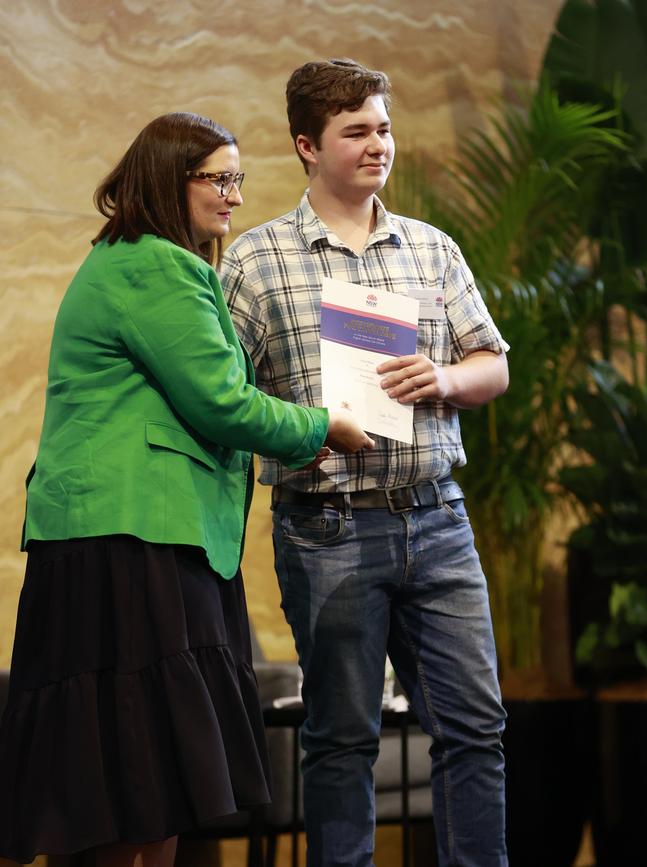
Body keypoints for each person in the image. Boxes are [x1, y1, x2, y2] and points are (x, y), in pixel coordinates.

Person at [0, 111, 374, 867]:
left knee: (128, 776)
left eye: (238, 178)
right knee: (138, 769)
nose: (234, 196)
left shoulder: (131, 259)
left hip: (122, 534)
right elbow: (221, 402)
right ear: (172, 180)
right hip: (135, 536)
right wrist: (323, 426)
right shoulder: (155, 266)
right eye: (219, 179)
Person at [220, 60, 510, 867]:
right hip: (328, 525)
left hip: (437, 515)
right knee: (343, 738)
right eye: (357, 131)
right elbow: (223, 397)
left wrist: (447, 377)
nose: (378, 143)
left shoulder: (431, 248)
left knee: (475, 727)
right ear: (307, 145)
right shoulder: (254, 260)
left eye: (383, 126)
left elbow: (494, 364)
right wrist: (304, 426)